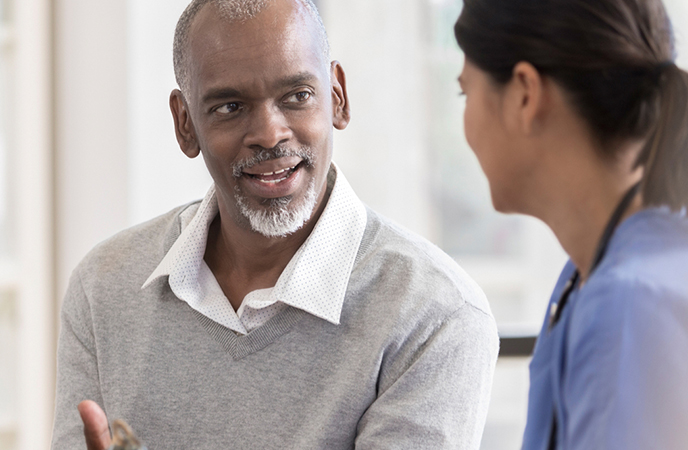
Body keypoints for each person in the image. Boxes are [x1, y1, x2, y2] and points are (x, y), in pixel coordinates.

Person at [50, 0, 499, 448]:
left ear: (337, 96)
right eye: (230, 106)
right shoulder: (104, 287)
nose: (269, 133)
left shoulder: (434, 314)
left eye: (297, 96)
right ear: (185, 124)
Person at [454, 0, 688, 449]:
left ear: (524, 94)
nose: (466, 122)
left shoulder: (631, 309)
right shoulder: (603, 275)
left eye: (465, 93)